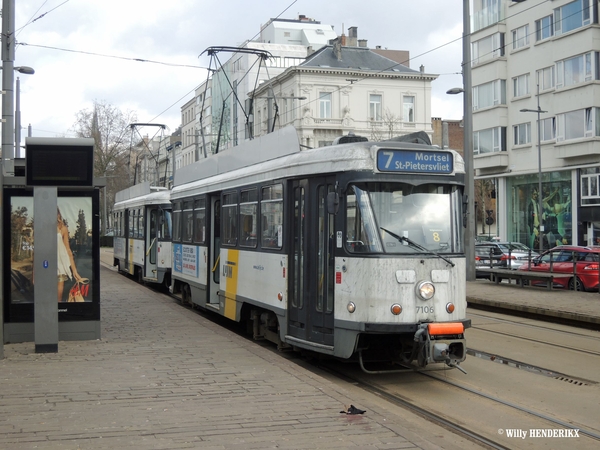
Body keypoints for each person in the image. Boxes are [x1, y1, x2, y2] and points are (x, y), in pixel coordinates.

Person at [57, 208, 83, 302]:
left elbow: (68, 250)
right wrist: (34, 272)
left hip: (59, 268)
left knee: (57, 301)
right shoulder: (42, 228)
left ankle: (58, 316)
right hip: (45, 266)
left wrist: (74, 271)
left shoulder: (62, 228)